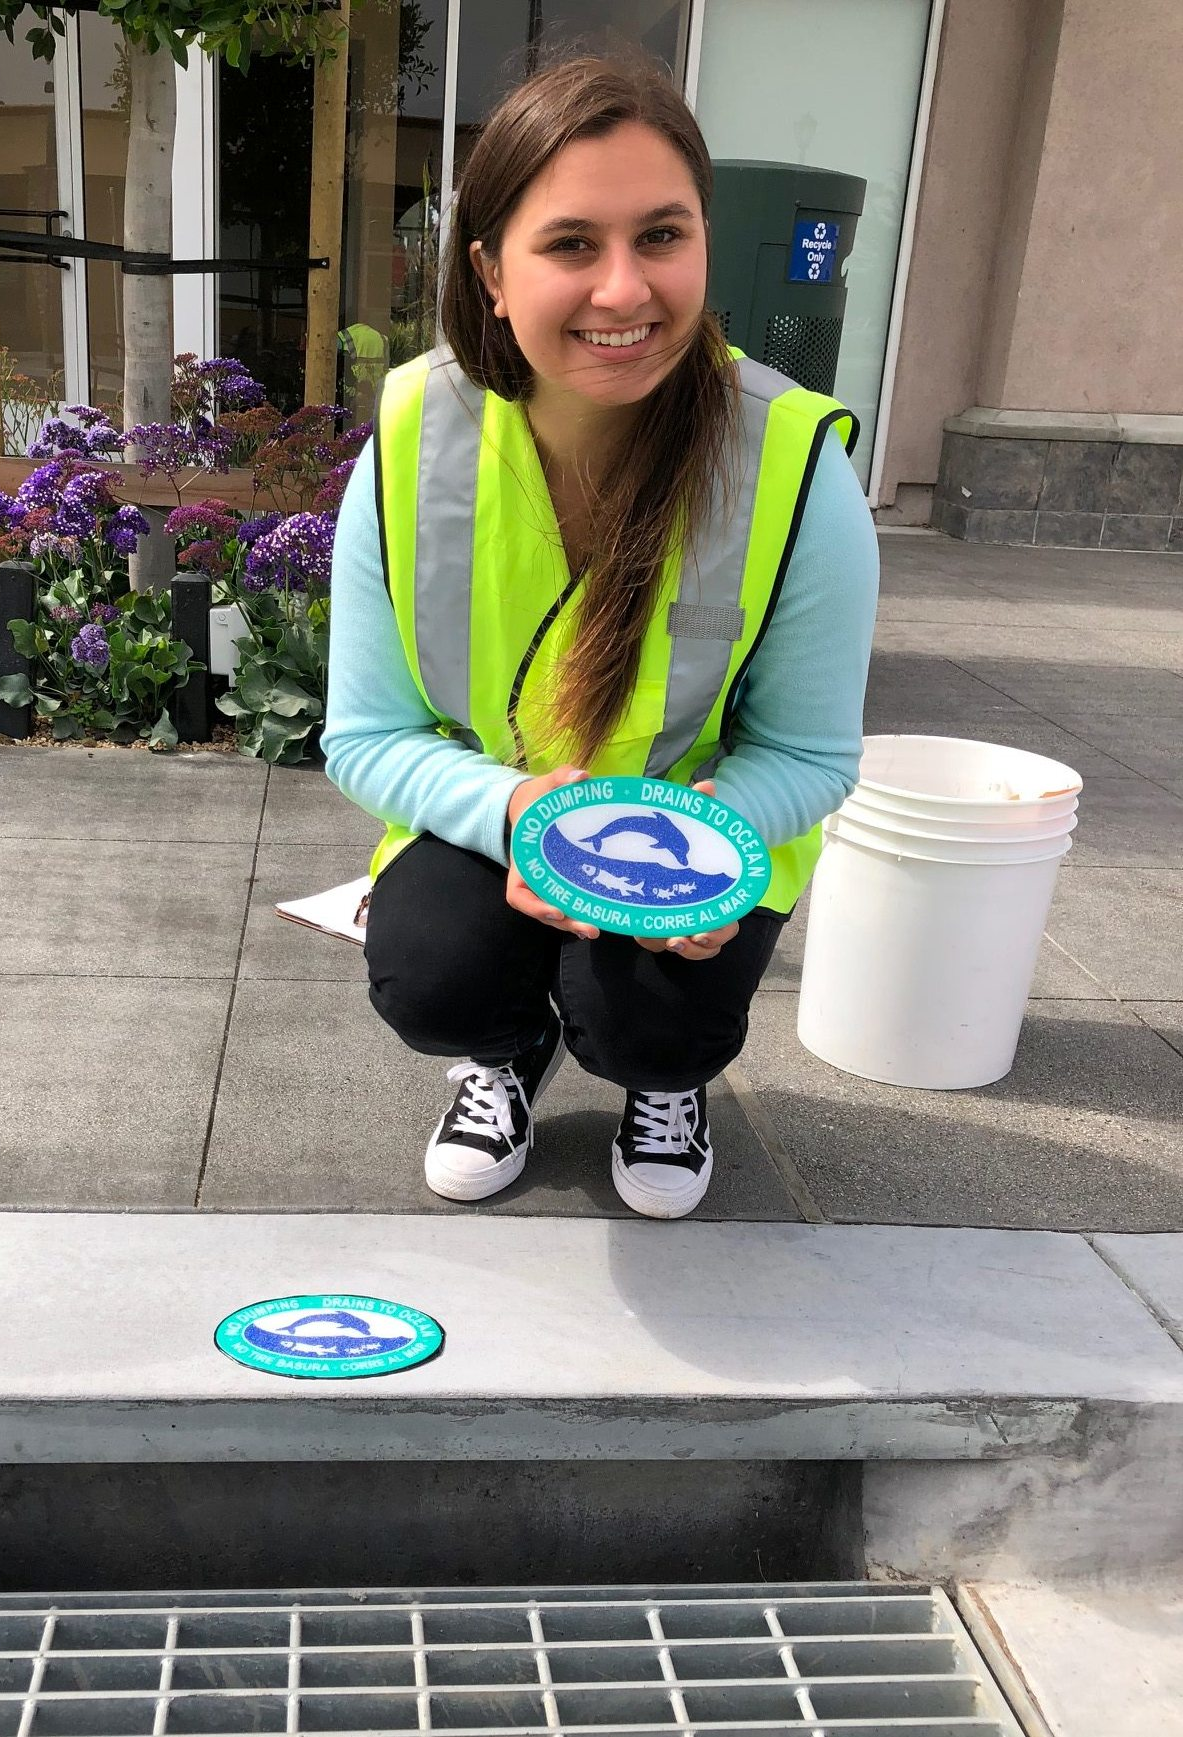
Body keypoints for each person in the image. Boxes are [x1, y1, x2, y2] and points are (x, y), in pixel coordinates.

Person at [321, 55, 879, 1219]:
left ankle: (660, 1083)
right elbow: (367, 737)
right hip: (498, 817)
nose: (624, 290)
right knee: (433, 976)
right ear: (488, 269)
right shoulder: (414, 442)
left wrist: (698, 852)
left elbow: (813, 757)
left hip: (696, 837)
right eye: (572, 243)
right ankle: (507, 1055)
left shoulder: (793, 467)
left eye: (661, 237)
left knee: (651, 1019)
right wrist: (517, 815)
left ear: (702, 249)